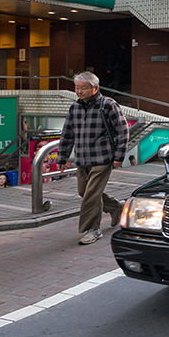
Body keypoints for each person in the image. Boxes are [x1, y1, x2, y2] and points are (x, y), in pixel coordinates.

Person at [57, 72, 130, 245]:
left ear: (95, 88)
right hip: (82, 159)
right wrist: (62, 157)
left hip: (102, 158)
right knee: (84, 192)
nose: (79, 91)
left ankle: (93, 230)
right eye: (77, 88)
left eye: (83, 88)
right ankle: (116, 207)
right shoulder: (74, 107)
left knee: (91, 194)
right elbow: (67, 133)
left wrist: (119, 155)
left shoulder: (108, 105)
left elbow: (122, 130)